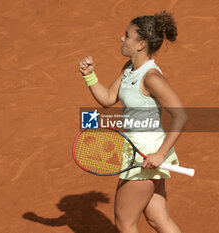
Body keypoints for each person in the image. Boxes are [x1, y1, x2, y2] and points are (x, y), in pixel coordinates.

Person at [78, 10, 188, 233]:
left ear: (141, 45)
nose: (122, 38)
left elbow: (181, 115)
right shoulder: (129, 69)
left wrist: (160, 154)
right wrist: (89, 76)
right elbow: (108, 99)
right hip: (140, 153)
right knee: (159, 220)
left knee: (125, 222)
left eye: (127, 35)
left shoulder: (151, 77)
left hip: (145, 157)